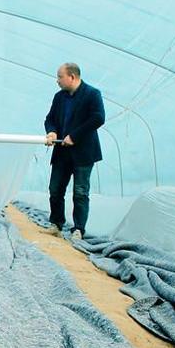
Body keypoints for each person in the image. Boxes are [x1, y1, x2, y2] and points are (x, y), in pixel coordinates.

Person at [43, 62, 105, 240]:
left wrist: (74, 136)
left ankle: (78, 229)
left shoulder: (92, 94)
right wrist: (52, 131)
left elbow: (98, 118)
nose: (57, 80)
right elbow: (50, 119)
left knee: (80, 192)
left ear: (72, 77)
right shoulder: (59, 97)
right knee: (55, 189)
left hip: (83, 153)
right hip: (62, 152)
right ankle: (56, 223)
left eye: (60, 77)